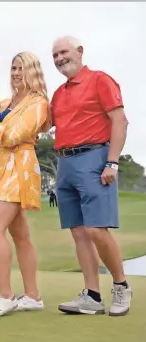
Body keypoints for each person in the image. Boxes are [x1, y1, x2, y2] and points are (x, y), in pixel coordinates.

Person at [51, 36, 132, 316]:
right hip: (65, 163)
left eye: (64, 52)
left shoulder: (100, 80)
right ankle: (92, 296)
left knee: (97, 229)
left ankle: (121, 286)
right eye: (55, 55)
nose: (60, 58)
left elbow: (119, 120)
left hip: (95, 158)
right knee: (79, 232)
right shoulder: (59, 93)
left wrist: (113, 162)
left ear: (80, 52)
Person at [0, 52, 50, 317]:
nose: (16, 73)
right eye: (13, 68)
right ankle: (32, 295)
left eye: (21, 68)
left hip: (20, 169)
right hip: (2, 169)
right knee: (20, 235)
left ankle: (6, 294)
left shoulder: (38, 102)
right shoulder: (7, 101)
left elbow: (16, 135)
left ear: (33, 71)